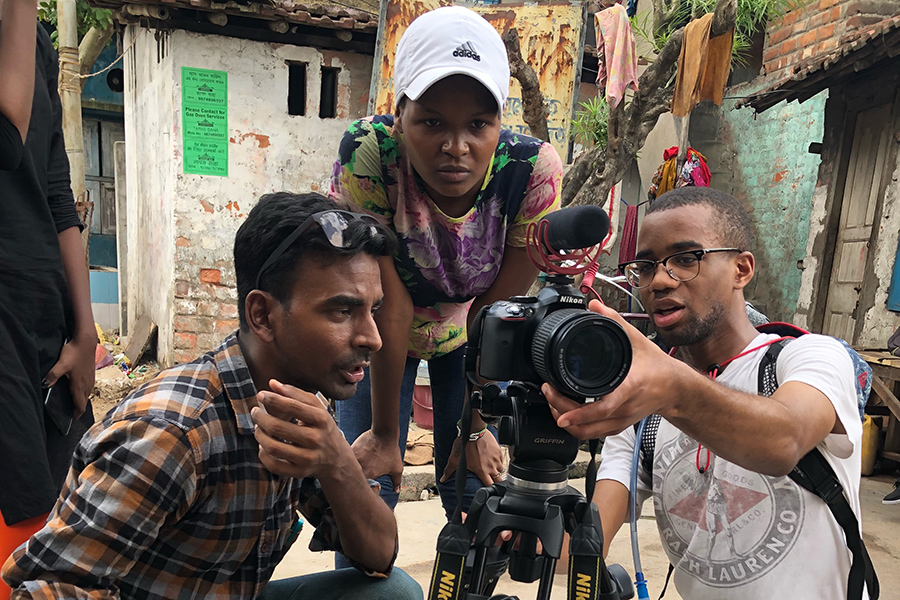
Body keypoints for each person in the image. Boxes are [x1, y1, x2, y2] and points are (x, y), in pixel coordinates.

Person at [2, 193, 423, 600]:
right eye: (343, 311)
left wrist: (338, 462)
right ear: (263, 315)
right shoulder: (172, 433)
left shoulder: (299, 407)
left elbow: (379, 558)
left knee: (394, 592)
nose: (373, 338)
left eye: (374, 310)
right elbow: (53, 586)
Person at [544, 188, 866, 599]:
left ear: (741, 270)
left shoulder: (809, 357)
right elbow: (591, 540)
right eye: (645, 266)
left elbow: (785, 439)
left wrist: (673, 390)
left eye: (686, 258)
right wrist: (533, 531)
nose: (659, 280)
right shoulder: (645, 405)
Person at [329, 5, 563, 520]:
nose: (456, 147)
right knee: (365, 485)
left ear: (500, 123)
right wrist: (387, 435)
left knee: (471, 485)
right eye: (432, 122)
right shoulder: (370, 153)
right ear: (400, 114)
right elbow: (387, 303)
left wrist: (476, 424)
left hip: (475, 325)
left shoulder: (530, 172)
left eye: (478, 124)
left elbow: (499, 310)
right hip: (378, 321)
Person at [0, 5, 97, 596]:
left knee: (60, 512)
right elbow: (5, 138)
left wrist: (86, 331)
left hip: (42, 313)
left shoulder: (32, 38)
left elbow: (56, 190)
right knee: (19, 513)